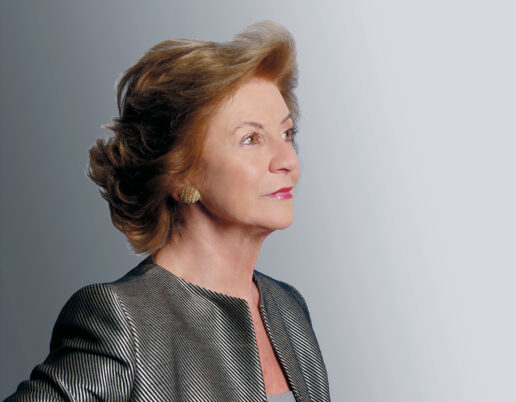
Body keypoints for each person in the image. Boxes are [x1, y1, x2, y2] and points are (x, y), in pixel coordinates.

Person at [5, 21, 329, 402]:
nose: (288, 160)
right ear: (179, 171)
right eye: (251, 139)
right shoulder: (123, 321)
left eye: (287, 134)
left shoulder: (288, 307)